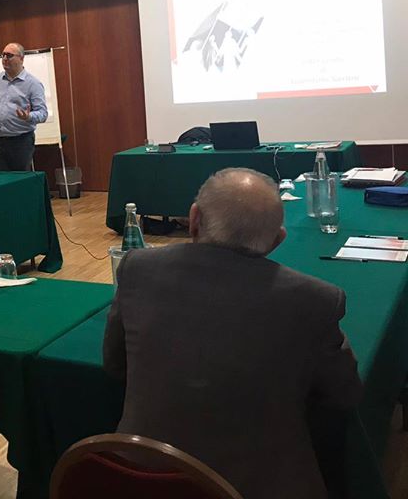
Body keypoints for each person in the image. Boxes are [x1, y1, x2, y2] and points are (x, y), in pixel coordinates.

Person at [103, 168, 362, 499]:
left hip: (137, 479)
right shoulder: (316, 300)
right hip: (259, 488)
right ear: (278, 240)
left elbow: (115, 365)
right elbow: (344, 394)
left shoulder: (136, 267)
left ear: (193, 219)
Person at [0, 42, 48, 171]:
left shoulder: (33, 84)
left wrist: (29, 117)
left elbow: (43, 114)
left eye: (9, 55)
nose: (5, 58)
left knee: (19, 179)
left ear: (21, 58)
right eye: (3, 55)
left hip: (20, 142)